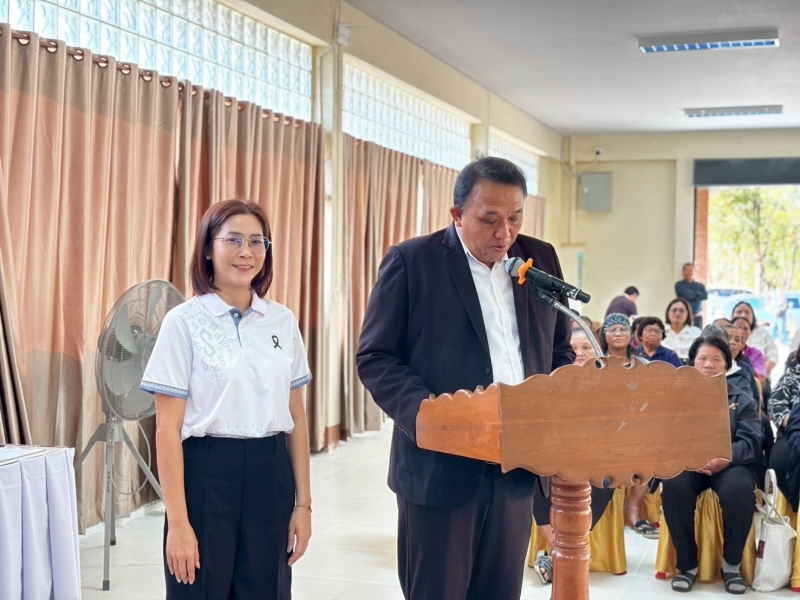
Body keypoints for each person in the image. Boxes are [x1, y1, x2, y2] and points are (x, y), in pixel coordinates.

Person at [356, 157, 574, 600]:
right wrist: (430, 417)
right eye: (489, 220)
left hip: (517, 465)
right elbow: (376, 356)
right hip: (440, 467)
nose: (504, 233)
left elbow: (559, 349)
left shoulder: (540, 258)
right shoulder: (413, 262)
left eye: (515, 218)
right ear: (457, 214)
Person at [140, 200, 313, 599]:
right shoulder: (182, 323)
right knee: (198, 589)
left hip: (271, 474)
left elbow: (297, 418)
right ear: (207, 248)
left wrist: (303, 505)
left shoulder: (282, 321)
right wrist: (178, 523)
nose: (246, 252)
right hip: (206, 474)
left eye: (256, 241)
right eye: (233, 240)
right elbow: (167, 429)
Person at [661, 335, 760, 595]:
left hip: (730, 463)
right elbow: (666, 436)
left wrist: (724, 458)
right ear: (692, 363)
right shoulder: (677, 397)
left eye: (716, 359)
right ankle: (687, 565)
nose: (708, 364)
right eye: (702, 358)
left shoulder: (742, 399)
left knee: (739, 491)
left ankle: (731, 565)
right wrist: (689, 457)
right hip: (689, 463)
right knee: (673, 486)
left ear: (727, 365)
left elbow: (750, 441)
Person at [531, 328, 613, 585]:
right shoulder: (548, 381)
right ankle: (561, 554)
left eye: (586, 347)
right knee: (533, 478)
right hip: (551, 453)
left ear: (598, 352)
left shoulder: (609, 384)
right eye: (573, 348)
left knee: (604, 480)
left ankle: (557, 557)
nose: (579, 353)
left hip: (596, 456)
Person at [599, 314, 657, 539]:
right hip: (604, 425)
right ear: (604, 335)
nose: (617, 333)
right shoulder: (596, 362)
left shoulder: (643, 364)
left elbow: (651, 397)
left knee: (648, 446)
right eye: (612, 329)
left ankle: (634, 508)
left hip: (635, 422)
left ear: (631, 335)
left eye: (623, 329)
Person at [768, 350, 800, 511]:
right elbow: (775, 404)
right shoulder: (791, 375)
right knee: (781, 461)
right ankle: (796, 507)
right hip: (792, 430)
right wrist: (793, 422)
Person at [732, 301, 778, 376]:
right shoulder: (725, 335)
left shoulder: (763, 334)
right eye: (739, 312)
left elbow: (772, 358)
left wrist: (760, 374)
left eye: (747, 312)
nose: (743, 315)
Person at [732, 316, 767, 384]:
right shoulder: (722, 352)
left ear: (750, 332)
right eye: (738, 327)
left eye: (745, 329)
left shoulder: (756, 354)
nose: (742, 331)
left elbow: (761, 380)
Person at [675, 263, 708, 329]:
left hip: (697, 316)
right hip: (683, 316)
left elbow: (705, 296)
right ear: (683, 272)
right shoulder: (679, 285)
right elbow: (687, 296)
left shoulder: (700, 285)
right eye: (686, 270)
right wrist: (697, 294)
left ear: (694, 271)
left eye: (690, 269)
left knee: (698, 333)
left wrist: (691, 293)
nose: (688, 272)